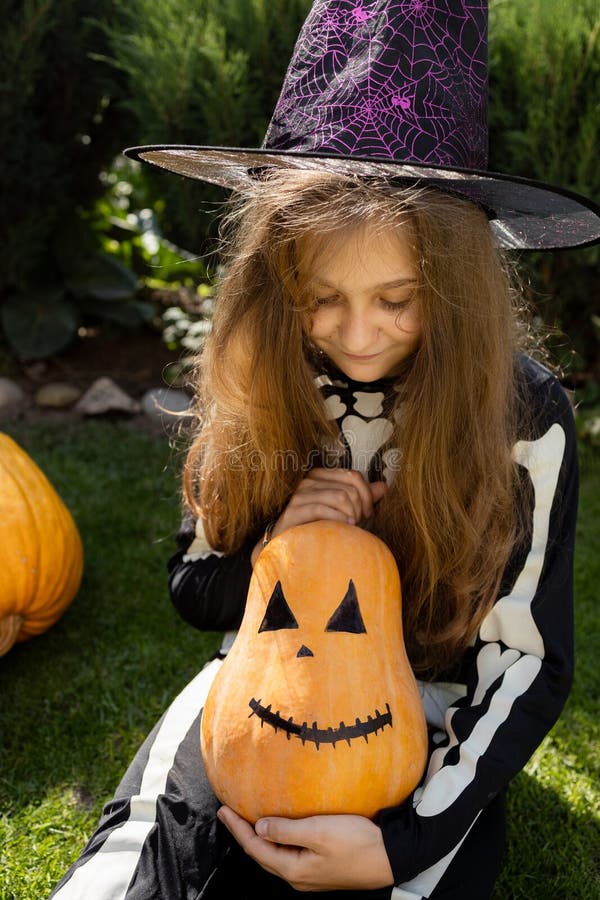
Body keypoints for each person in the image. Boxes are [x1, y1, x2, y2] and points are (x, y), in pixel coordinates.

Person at [49, 2, 599, 898]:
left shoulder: (522, 416)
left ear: (455, 283)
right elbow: (194, 581)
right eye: (321, 296)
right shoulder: (260, 376)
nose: (357, 333)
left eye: (397, 298)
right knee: (143, 862)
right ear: (279, 280)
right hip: (260, 675)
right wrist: (270, 545)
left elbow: (529, 661)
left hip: (432, 703)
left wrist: (400, 844)